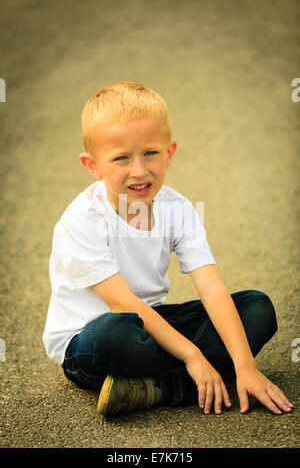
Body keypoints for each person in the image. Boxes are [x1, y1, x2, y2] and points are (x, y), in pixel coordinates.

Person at [42, 81, 293, 417]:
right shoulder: (82, 220)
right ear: (93, 165)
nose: (139, 170)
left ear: (169, 152)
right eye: (121, 158)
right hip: (90, 341)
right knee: (112, 333)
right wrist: (194, 356)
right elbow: (121, 303)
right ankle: (190, 379)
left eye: (150, 153)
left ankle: (156, 388)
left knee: (257, 308)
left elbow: (212, 288)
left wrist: (246, 365)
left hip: (152, 325)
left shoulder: (178, 209)